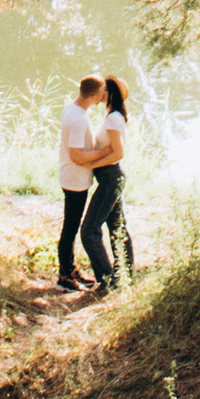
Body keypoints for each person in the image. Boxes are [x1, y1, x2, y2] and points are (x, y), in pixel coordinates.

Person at [80, 72, 137, 292]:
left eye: (104, 87)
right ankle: (125, 277)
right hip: (111, 177)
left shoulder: (113, 118)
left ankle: (108, 280)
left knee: (89, 230)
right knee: (117, 228)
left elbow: (118, 153)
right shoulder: (112, 116)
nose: (100, 90)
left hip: (110, 177)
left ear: (110, 92)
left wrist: (92, 165)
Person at [56, 73, 109, 293]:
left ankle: (70, 269)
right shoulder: (78, 119)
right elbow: (77, 156)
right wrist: (103, 152)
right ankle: (65, 276)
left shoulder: (73, 108)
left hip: (72, 176)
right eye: (102, 92)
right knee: (70, 228)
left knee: (71, 226)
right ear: (95, 95)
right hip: (75, 180)